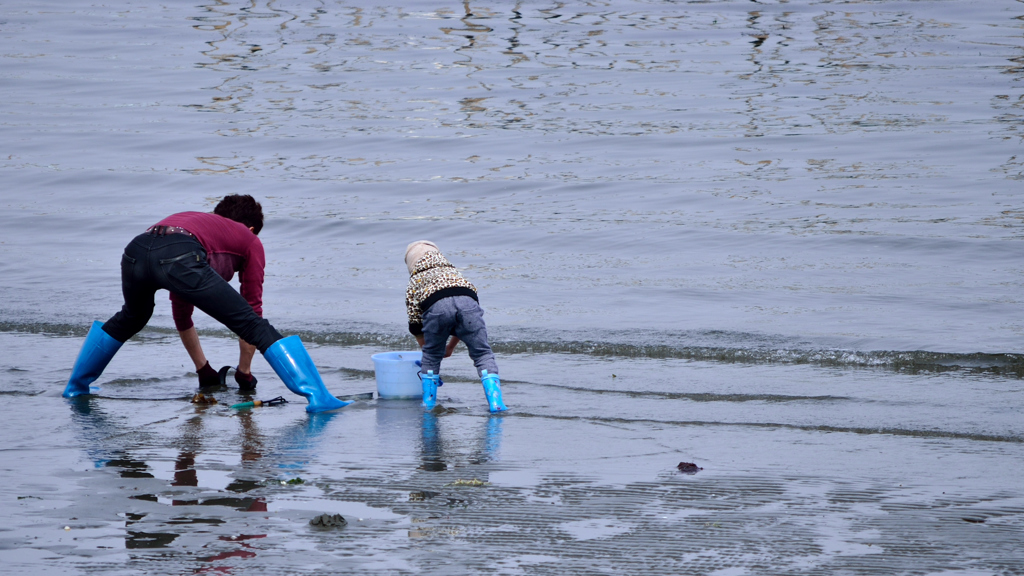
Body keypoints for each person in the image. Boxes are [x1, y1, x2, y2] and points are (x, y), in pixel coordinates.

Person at [62, 195, 348, 413]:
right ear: (250, 228)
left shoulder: (200, 224)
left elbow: (181, 313)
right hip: (179, 255)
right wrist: (244, 374)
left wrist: (204, 370)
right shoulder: (248, 239)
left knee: (132, 316)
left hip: (136, 250)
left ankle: (76, 387)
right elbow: (252, 311)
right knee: (254, 325)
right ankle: (318, 396)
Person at [404, 240, 507, 413]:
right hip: (468, 302)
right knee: (482, 353)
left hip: (436, 306)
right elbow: (465, 313)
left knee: (431, 357)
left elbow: (415, 324)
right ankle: (496, 403)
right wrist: (450, 347)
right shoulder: (454, 272)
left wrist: (428, 349)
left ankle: (428, 403)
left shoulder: (415, 281)